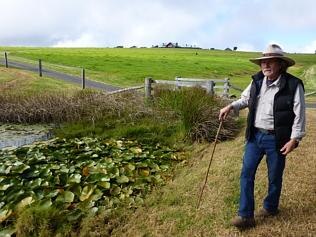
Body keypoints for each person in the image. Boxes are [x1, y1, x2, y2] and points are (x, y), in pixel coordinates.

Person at [219, 44, 306, 228]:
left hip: (278, 139)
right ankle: (245, 216)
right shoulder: (257, 81)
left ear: (280, 64)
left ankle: (271, 207)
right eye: (262, 62)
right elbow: (245, 99)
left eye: (270, 61)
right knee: (246, 174)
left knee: (274, 176)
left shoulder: (293, 85)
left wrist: (294, 139)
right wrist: (231, 106)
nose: (265, 65)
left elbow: (300, 114)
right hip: (255, 136)